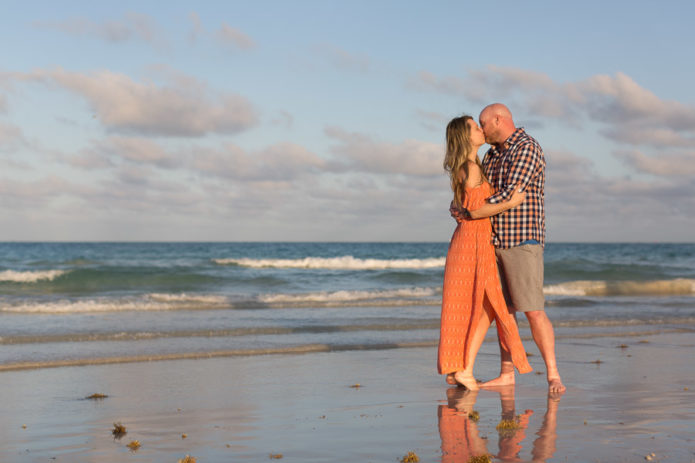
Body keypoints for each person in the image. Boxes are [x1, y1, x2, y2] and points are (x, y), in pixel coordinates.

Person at [472, 103, 565, 393]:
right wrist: (464, 203)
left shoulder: (526, 147)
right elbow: (483, 192)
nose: (481, 130)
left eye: (483, 124)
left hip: (521, 240)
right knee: (504, 312)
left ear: (498, 120)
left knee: (533, 310)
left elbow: (511, 193)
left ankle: (553, 375)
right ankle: (506, 373)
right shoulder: (491, 154)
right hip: (493, 240)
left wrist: (471, 209)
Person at [437, 115, 532, 391]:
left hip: (469, 241)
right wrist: (512, 202)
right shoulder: (471, 167)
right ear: (466, 137)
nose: (481, 130)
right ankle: (464, 368)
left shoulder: (469, 166)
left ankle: (458, 369)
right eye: (475, 127)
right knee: (486, 307)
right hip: (473, 244)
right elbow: (477, 211)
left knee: (469, 308)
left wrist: (463, 210)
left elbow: (465, 208)